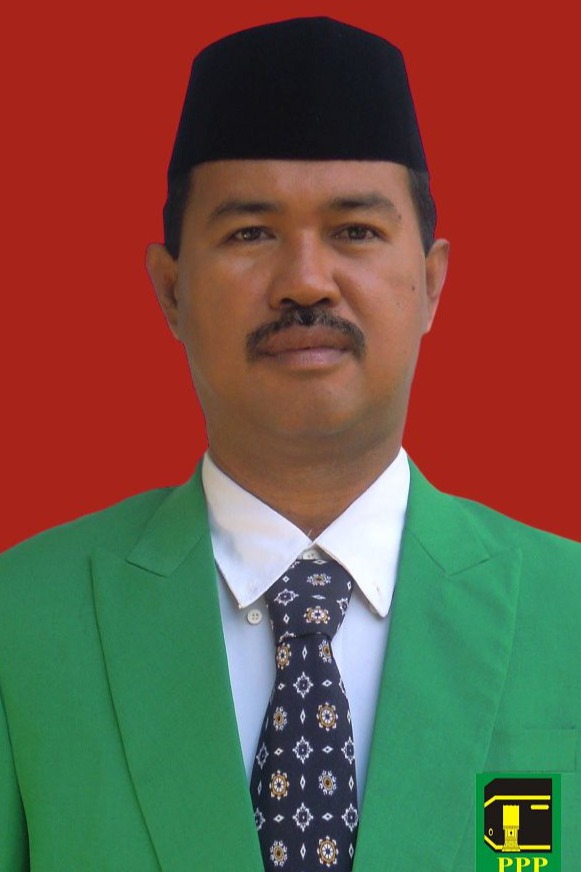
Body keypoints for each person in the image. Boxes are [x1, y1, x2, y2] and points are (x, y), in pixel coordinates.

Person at [0, 16, 579, 872]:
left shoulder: (569, 609)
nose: (305, 281)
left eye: (355, 231)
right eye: (250, 233)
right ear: (169, 291)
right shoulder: (22, 620)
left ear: (431, 282)